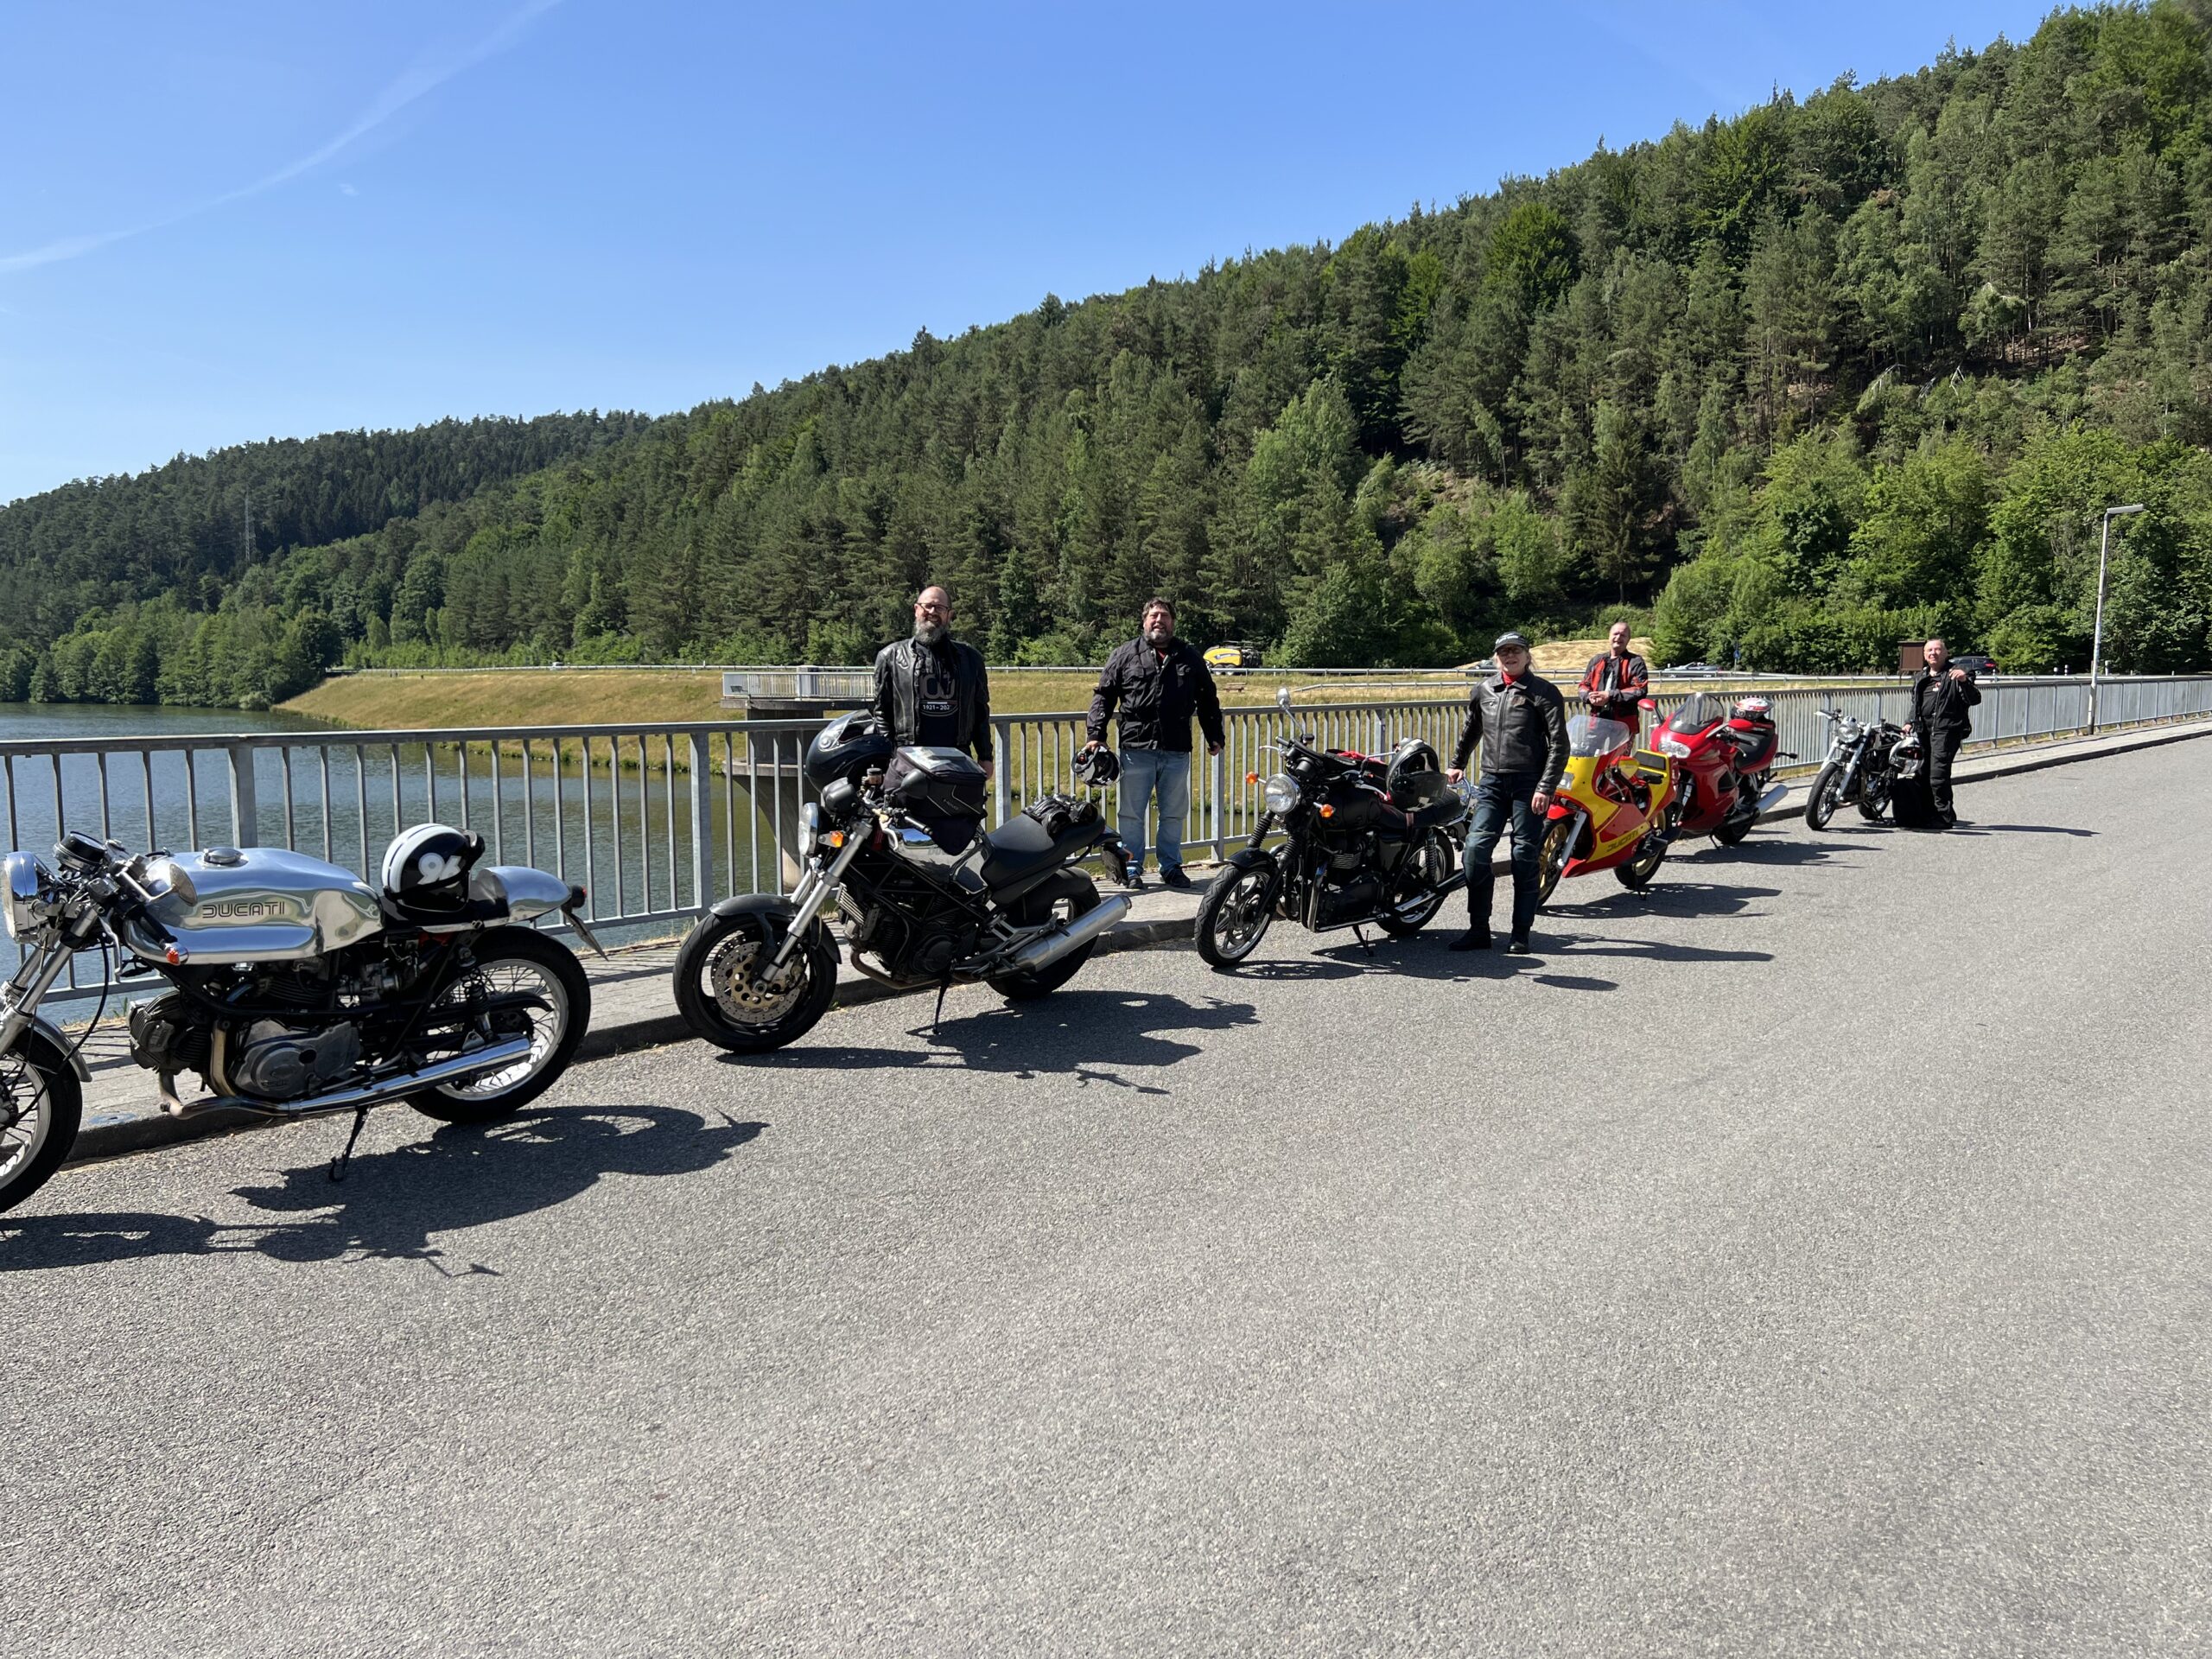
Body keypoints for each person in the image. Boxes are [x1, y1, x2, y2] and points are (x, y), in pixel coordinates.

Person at [1084, 597, 1224, 891]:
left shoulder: (1189, 656)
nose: (1159, 620)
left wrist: (1214, 735)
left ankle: (1171, 867)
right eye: (1154, 616)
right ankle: (1132, 867)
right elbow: (1104, 696)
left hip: (1176, 749)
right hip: (1136, 748)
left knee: (1173, 813)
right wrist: (1096, 734)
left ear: (1173, 622)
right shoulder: (1124, 654)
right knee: (1131, 814)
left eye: (1165, 616)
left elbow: (1207, 699)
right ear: (1144, 621)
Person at [1445, 632, 1569, 954]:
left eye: (1515, 651)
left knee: (1524, 856)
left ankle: (1520, 933)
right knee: (1474, 852)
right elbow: (1472, 728)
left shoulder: (1544, 692)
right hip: (1492, 783)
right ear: (1496, 657)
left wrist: (1546, 786)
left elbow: (1559, 744)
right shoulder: (1484, 690)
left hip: (1529, 784)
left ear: (1527, 656)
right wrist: (1457, 763)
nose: (1509, 656)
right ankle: (1479, 930)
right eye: (1503, 652)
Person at [872, 585, 994, 777]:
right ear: (916, 609)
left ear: (949, 615)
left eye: (940, 608)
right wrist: (886, 758)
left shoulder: (970, 659)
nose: (932, 612)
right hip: (907, 761)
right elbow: (882, 713)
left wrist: (985, 756)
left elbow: (980, 712)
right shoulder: (890, 657)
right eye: (927, 606)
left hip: (958, 759)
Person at [1910, 636, 1980, 829]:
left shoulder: (1957, 673)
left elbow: (1975, 699)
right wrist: (1909, 722)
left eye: (1937, 649)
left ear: (1946, 653)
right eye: (1929, 650)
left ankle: (1944, 816)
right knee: (1922, 773)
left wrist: (1964, 681)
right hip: (1924, 731)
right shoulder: (1921, 677)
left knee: (1938, 774)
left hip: (1947, 730)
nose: (1933, 653)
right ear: (1924, 655)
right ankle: (1926, 813)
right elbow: (1916, 705)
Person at [1579, 621, 1650, 731]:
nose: (1618, 637)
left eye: (1623, 635)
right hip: (1596, 720)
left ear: (1628, 639)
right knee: (1589, 743)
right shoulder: (1597, 660)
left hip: (1623, 723)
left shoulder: (1635, 662)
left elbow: (1640, 690)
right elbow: (1583, 686)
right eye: (1615, 634)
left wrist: (1609, 695)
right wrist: (1590, 696)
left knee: (1621, 744)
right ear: (1609, 636)